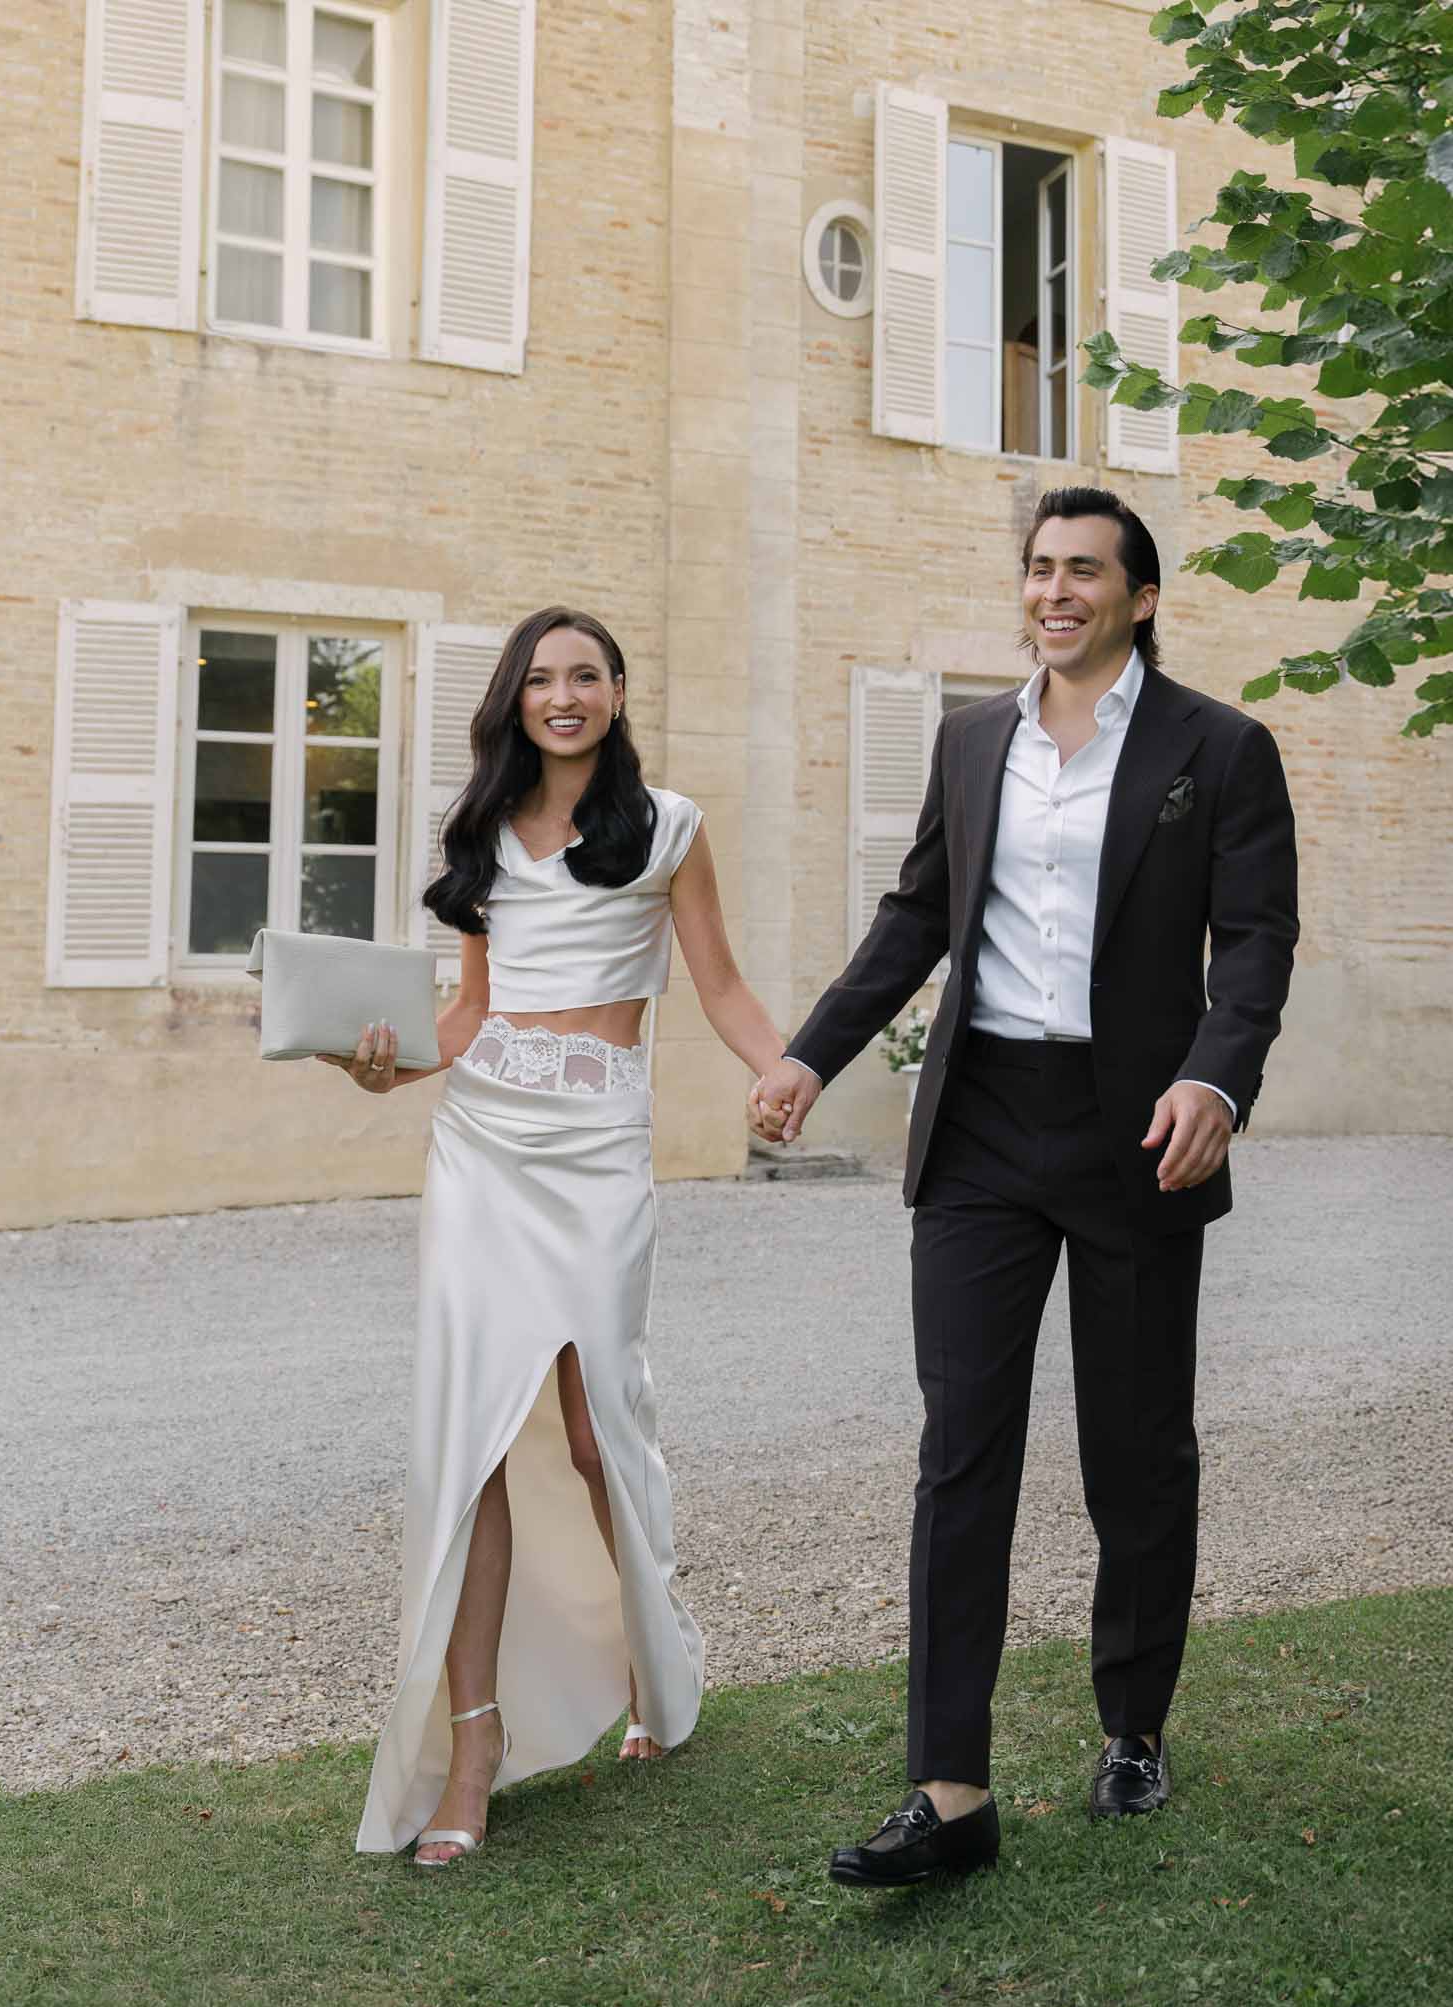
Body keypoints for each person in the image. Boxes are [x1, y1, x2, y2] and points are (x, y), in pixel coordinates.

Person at [750, 487, 1298, 1886]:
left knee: (1133, 1451)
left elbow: (1252, 945)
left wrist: (1212, 1080)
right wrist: (810, 1055)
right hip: (983, 1123)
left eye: (1081, 571)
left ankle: (1130, 1728)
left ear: (1140, 596)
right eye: (1036, 569)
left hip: (1137, 1133)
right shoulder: (969, 740)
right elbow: (918, 915)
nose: (1052, 591)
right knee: (960, 1450)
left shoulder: (1217, 749)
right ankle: (947, 1792)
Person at [324, 605, 786, 1867]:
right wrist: (387, 1069)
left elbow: (722, 985)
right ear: (514, 700)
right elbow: (468, 1015)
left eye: (585, 673)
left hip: (593, 1155)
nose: (563, 694)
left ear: (619, 691)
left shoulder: (669, 827)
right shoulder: (476, 835)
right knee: (473, 1439)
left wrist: (779, 1068)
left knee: (593, 1429)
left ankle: (649, 1646)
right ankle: (472, 1744)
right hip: (481, 1147)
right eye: (540, 678)